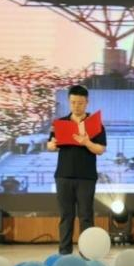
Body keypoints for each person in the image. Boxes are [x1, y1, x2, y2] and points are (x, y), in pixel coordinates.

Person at [47, 85, 107, 256]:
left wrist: (87, 142)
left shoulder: (95, 124)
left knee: (86, 216)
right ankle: (64, 253)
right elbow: (50, 144)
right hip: (63, 175)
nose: (76, 106)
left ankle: (87, 253)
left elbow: (101, 149)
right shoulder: (61, 123)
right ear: (69, 101)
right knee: (66, 216)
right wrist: (52, 145)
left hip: (86, 177)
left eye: (80, 103)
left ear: (87, 102)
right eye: (73, 102)